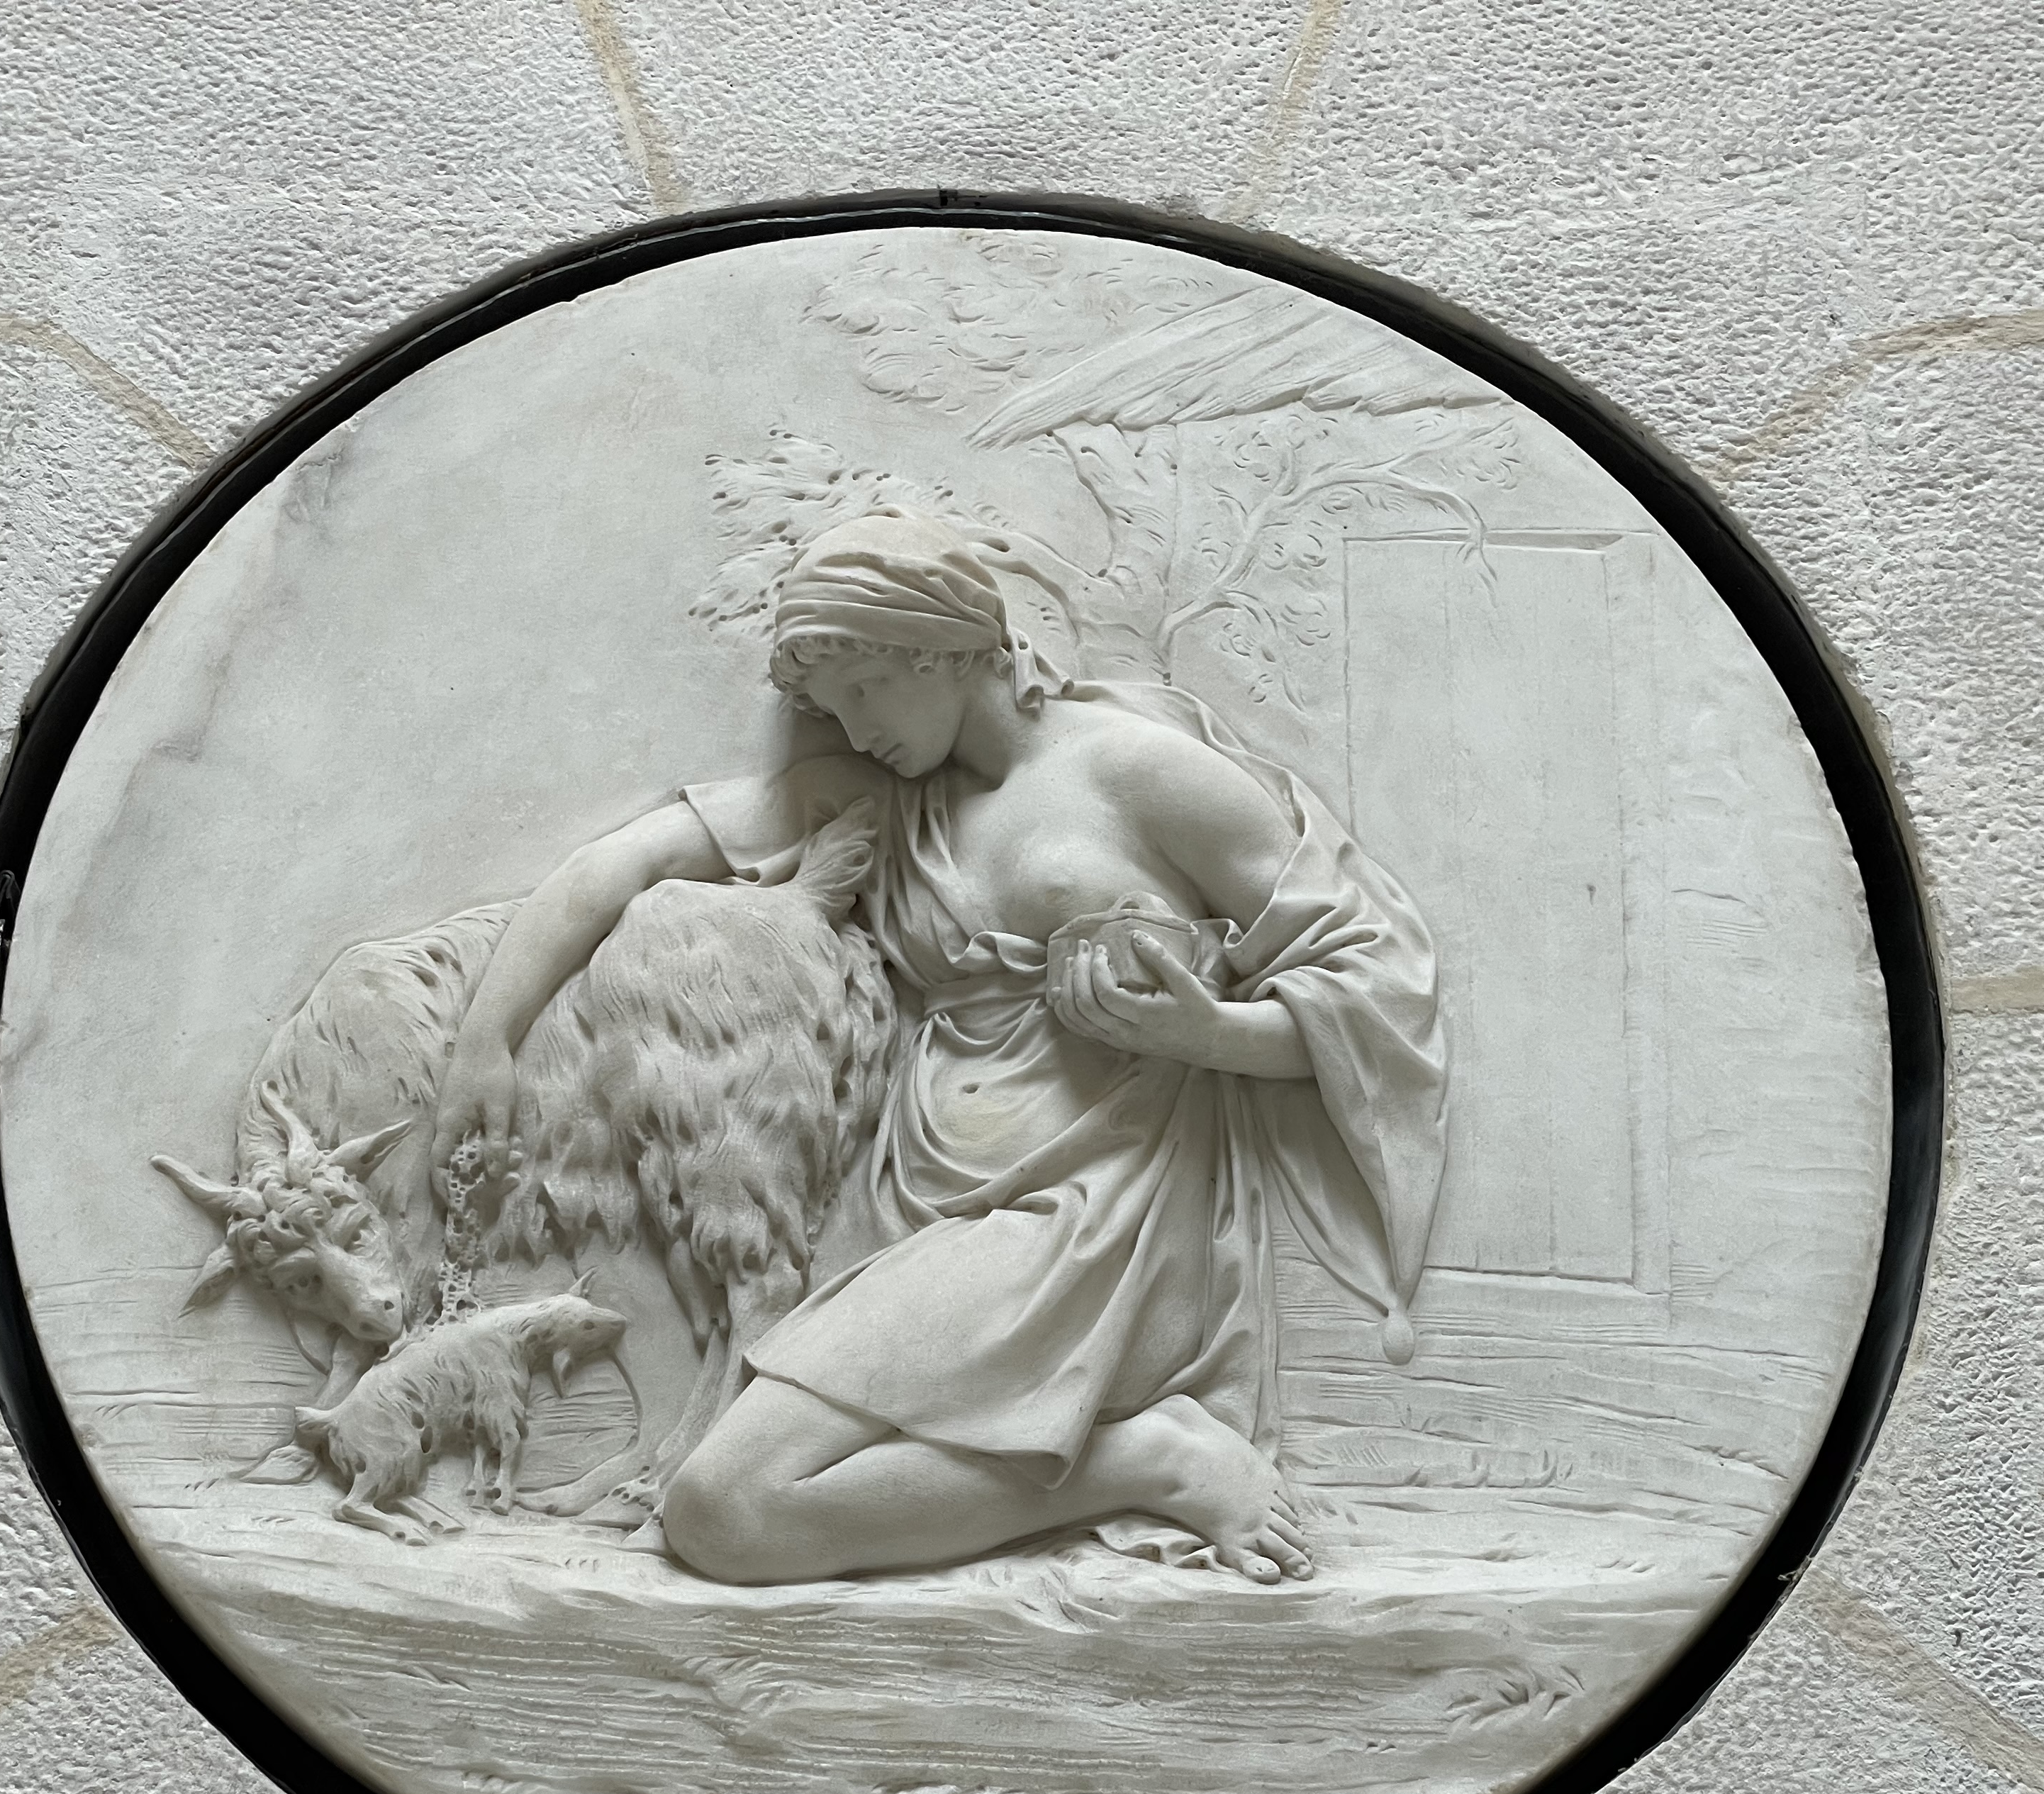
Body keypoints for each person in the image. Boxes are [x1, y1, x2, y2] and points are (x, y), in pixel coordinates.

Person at [432, 509, 1445, 1584]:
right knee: (730, 1511)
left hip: (1090, 1217)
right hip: (906, 1208)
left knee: (725, 1509)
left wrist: (1211, 1032)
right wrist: (485, 1042)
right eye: (830, 706)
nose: (851, 726)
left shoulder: (1141, 772)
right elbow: (621, 863)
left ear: (940, 647)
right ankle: (1124, 1460)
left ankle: (1152, 1459)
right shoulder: (880, 800)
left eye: (865, 688)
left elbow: (1373, 989)